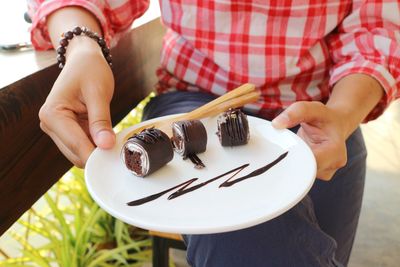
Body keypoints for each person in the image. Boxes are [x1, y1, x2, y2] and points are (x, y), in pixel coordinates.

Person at [28, 1, 399, 266]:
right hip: (192, 105)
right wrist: (81, 49)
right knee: (257, 244)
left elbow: (378, 26)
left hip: (323, 114)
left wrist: (342, 114)